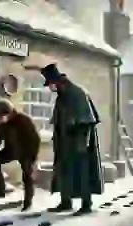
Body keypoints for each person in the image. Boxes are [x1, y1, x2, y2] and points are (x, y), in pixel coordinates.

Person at [40, 63, 104, 216]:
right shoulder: (62, 97)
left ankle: (86, 204)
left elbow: (87, 121)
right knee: (64, 173)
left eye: (50, 84)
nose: (50, 88)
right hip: (65, 143)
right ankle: (65, 202)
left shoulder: (77, 93)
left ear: (57, 81)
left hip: (79, 143)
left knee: (82, 173)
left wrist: (82, 144)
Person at [0, 98, 41, 211]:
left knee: (27, 174)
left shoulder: (24, 120)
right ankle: (0, 188)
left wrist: (32, 158)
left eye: (1, 116)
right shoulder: (4, 124)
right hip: (11, 151)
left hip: (26, 151)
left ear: (8, 113)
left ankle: (28, 201)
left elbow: (35, 139)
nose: (0, 119)